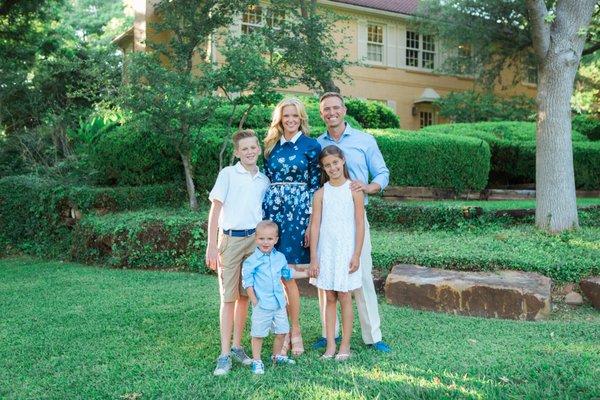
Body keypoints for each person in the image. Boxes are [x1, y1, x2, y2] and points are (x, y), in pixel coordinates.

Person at [315, 92, 392, 353]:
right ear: (321, 113)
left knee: (360, 275)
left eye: (336, 107)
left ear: (344, 110)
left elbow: (382, 173)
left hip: (356, 219)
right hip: (328, 221)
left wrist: (369, 187)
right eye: (326, 109)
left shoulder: (364, 140)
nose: (332, 112)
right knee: (327, 278)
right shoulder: (317, 143)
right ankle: (331, 335)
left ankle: (373, 335)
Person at [205, 129, 270, 376]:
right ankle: (223, 354)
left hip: (254, 241)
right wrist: (212, 244)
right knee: (228, 297)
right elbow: (215, 209)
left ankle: (237, 346)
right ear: (236, 152)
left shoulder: (263, 180)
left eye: (253, 147)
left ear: (259, 149)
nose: (250, 152)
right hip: (230, 241)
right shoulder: (228, 174)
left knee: (245, 296)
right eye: (244, 149)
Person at [262, 98, 321, 356]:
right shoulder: (271, 146)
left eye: (295, 116)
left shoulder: (311, 145)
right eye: (286, 116)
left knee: (289, 276)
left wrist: (310, 223)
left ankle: (293, 330)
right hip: (274, 213)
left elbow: (315, 187)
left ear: (301, 118)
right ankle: (282, 330)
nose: (290, 120)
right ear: (280, 119)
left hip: (298, 214)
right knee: (276, 275)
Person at [310, 146, 365, 360]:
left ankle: (345, 346)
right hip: (327, 250)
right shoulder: (320, 194)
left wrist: (356, 254)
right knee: (329, 296)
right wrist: (314, 256)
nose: (332, 168)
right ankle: (331, 345)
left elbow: (359, 224)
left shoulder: (354, 190)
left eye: (335, 162)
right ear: (323, 168)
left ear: (342, 161)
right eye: (327, 165)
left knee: (344, 295)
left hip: (346, 249)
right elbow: (315, 225)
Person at [242, 220, 306, 374]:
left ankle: (277, 356)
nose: (265, 242)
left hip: (279, 304)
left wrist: (306, 273)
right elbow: (247, 282)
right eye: (262, 238)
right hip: (262, 304)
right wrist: (254, 300)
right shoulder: (251, 262)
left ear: (276, 240)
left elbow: (287, 274)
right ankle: (257, 361)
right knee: (258, 334)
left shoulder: (280, 258)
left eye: (270, 239)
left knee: (282, 331)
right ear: (256, 239)